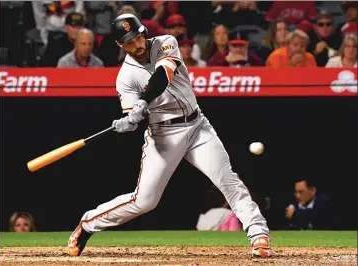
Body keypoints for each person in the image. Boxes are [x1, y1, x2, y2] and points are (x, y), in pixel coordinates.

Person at [68, 14, 272, 258]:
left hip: (197, 127)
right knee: (145, 201)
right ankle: (89, 223)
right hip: (163, 135)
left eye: (138, 36)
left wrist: (143, 101)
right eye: (130, 41)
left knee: (227, 179)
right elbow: (134, 116)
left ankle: (258, 234)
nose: (138, 44)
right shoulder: (125, 78)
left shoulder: (165, 42)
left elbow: (163, 75)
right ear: (120, 45)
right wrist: (129, 121)